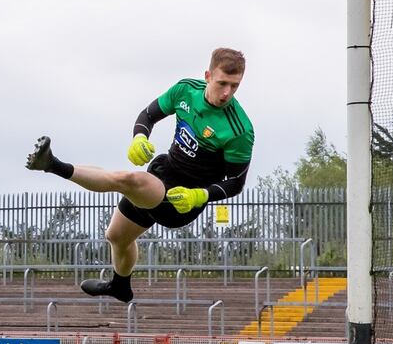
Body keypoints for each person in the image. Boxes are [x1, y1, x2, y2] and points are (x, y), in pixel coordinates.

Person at [25, 48, 254, 302]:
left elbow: (235, 183)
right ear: (208, 75)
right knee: (115, 236)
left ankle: (52, 164)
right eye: (222, 83)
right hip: (164, 170)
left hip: (182, 199)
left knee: (129, 180)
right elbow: (148, 115)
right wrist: (140, 137)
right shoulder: (185, 90)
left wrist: (199, 195)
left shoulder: (239, 129)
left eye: (235, 86)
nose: (227, 93)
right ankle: (120, 286)